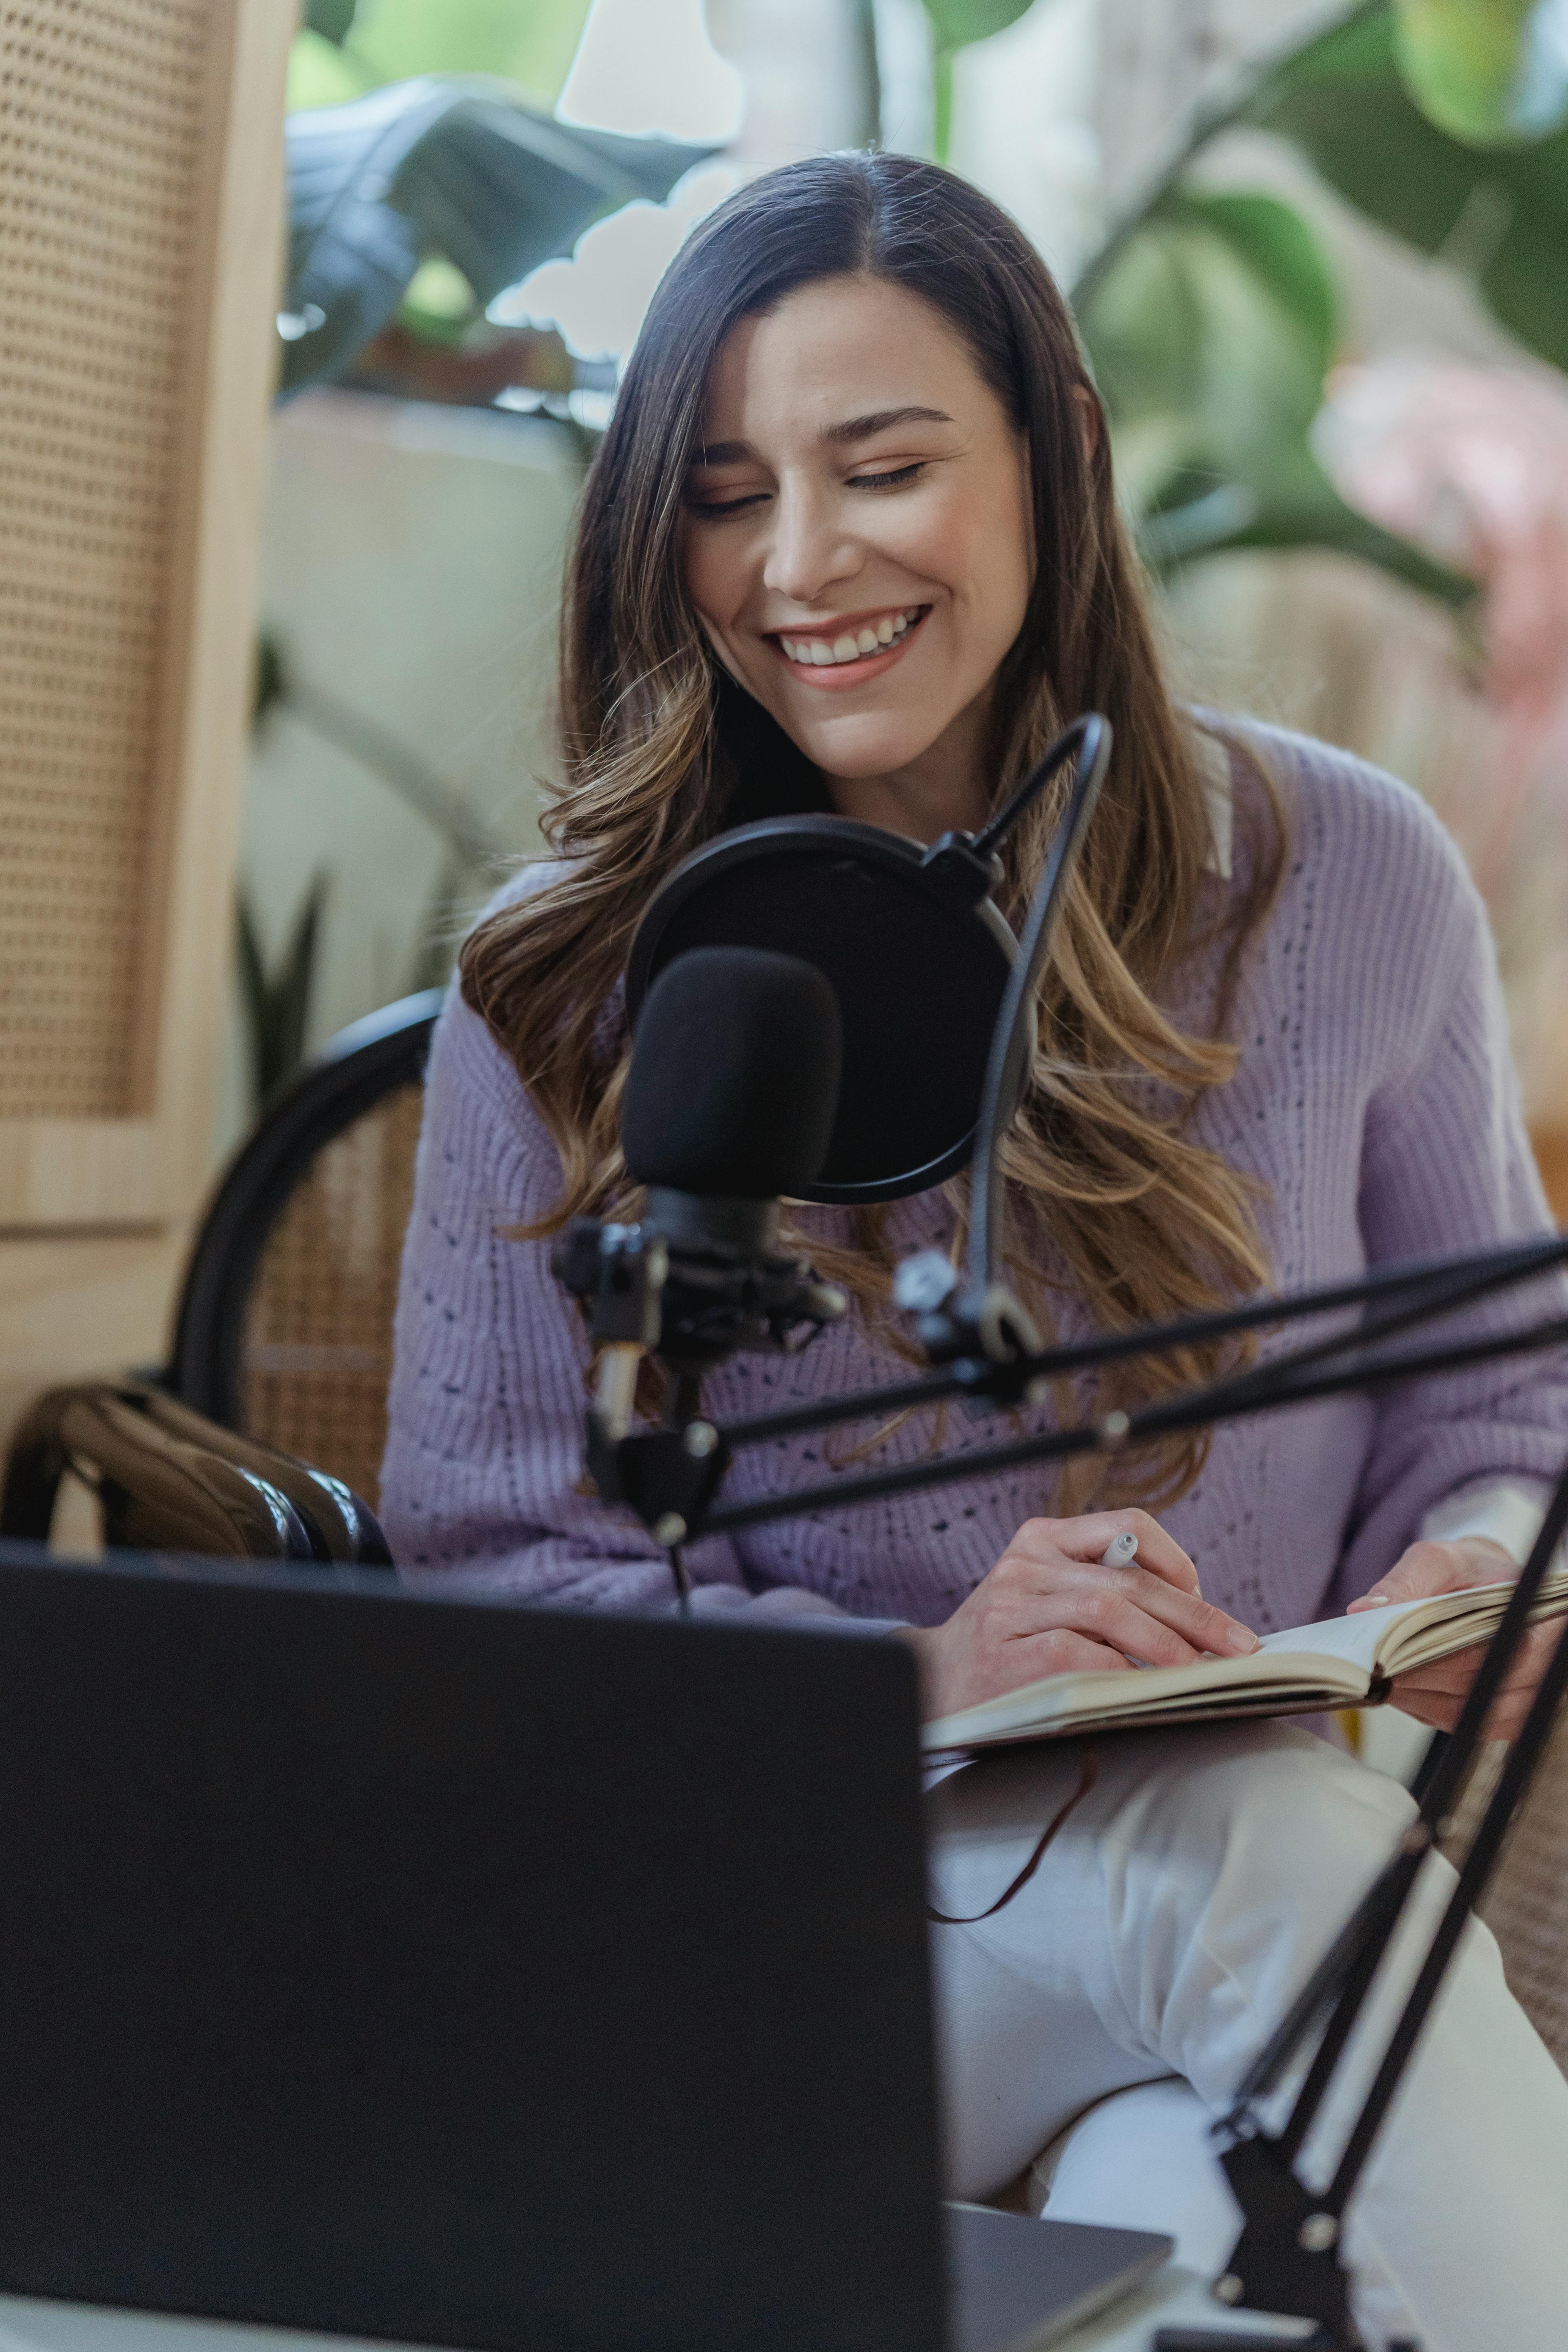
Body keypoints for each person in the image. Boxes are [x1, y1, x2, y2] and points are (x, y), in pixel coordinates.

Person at [381, 153, 1568, 2347]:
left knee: (1207, 2257)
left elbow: (1502, 1394)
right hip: (770, 1953)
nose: (801, 563)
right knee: (1255, 1843)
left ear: (1060, 453)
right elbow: (484, 1571)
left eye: (886, 464)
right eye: (729, 492)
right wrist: (935, 1679)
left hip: (1179, 1976)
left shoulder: (1351, 879)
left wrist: (1469, 1570)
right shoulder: (559, 989)